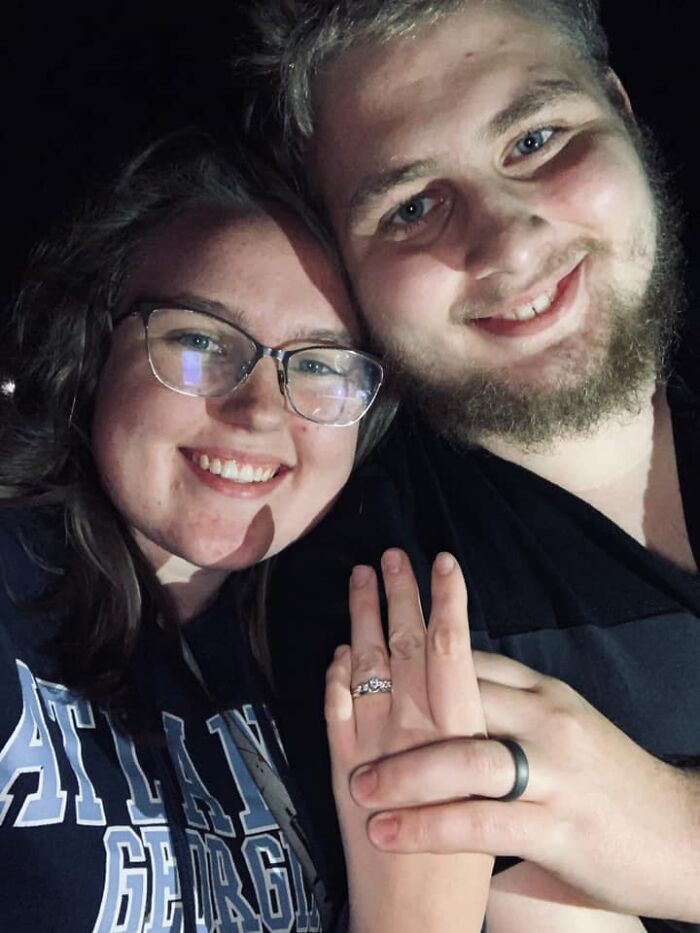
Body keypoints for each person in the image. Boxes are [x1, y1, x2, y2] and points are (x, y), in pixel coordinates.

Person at [236, 1, 700, 930]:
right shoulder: (394, 591)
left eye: (535, 137)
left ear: (620, 107)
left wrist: (671, 826)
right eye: (410, 206)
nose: (505, 242)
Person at [0, 137, 492, 932]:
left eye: (324, 366)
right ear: (94, 349)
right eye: (199, 340)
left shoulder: (330, 667)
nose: (261, 409)